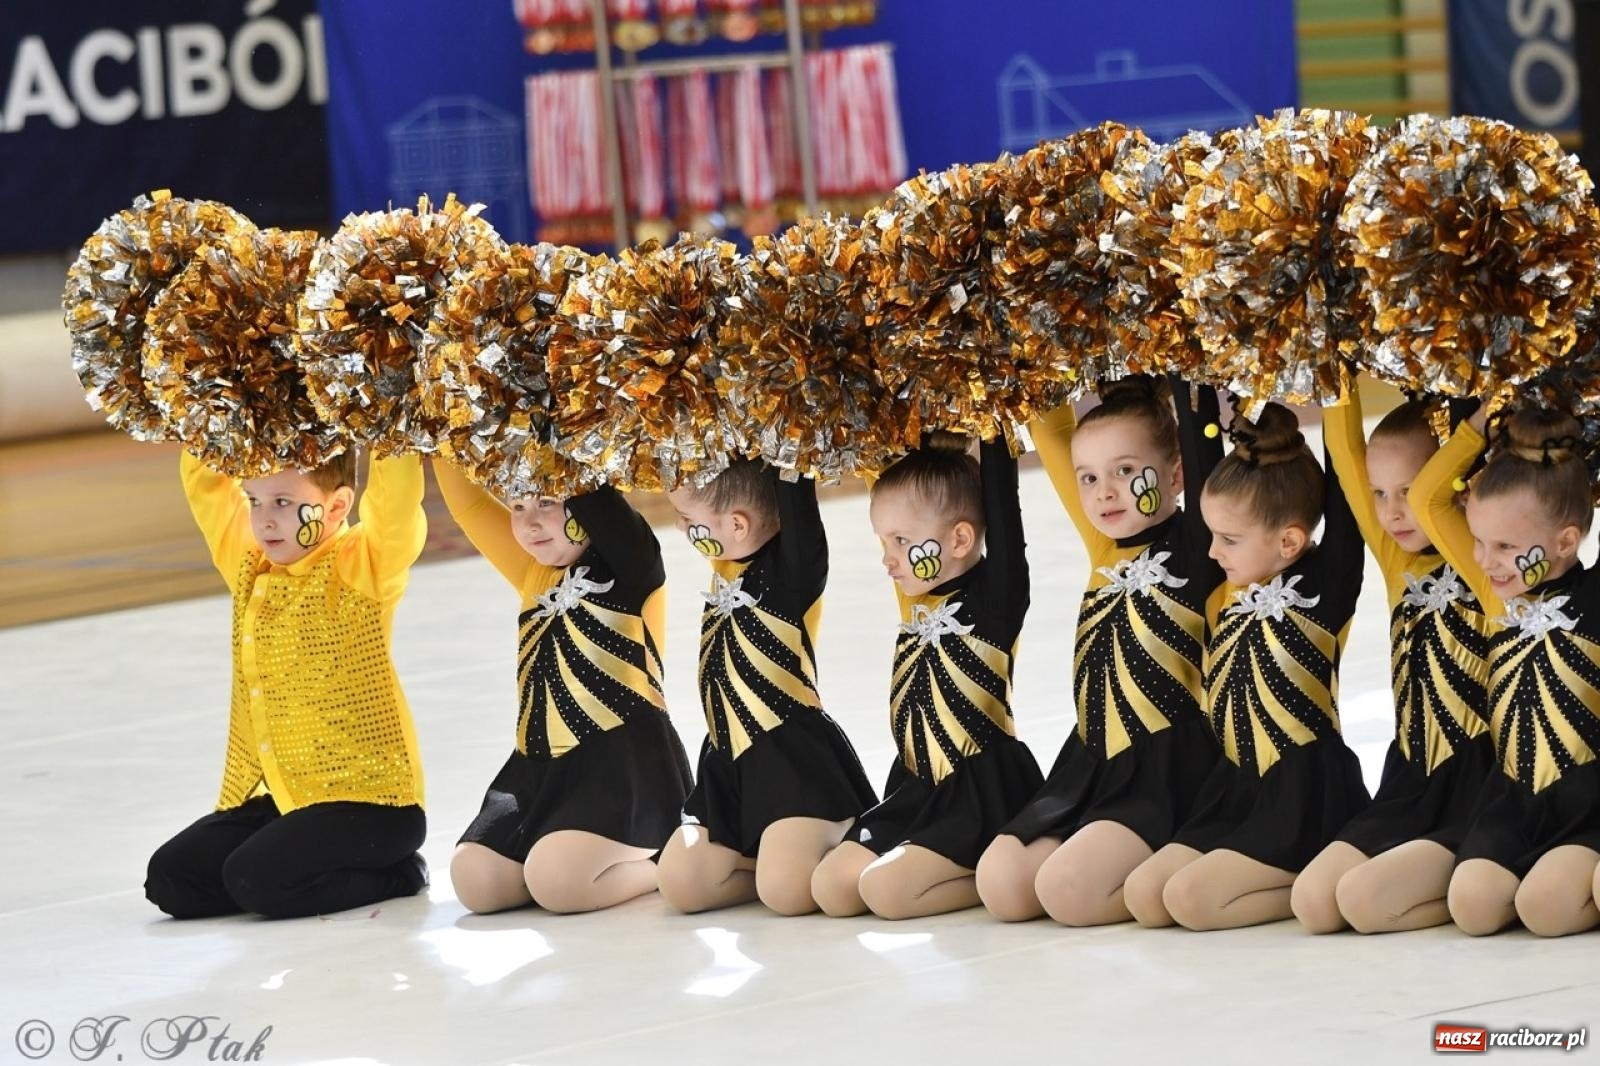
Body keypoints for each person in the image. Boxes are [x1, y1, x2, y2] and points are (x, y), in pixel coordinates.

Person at [144, 449, 429, 920]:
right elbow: (205, 484)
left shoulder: (362, 567)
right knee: (172, 879)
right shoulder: (248, 563)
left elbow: (395, 503)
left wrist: (390, 424)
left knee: (255, 879)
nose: (265, 520)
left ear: (336, 507)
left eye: (282, 502)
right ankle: (283, 868)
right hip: (286, 799)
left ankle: (400, 873)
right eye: (254, 501)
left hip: (374, 804)